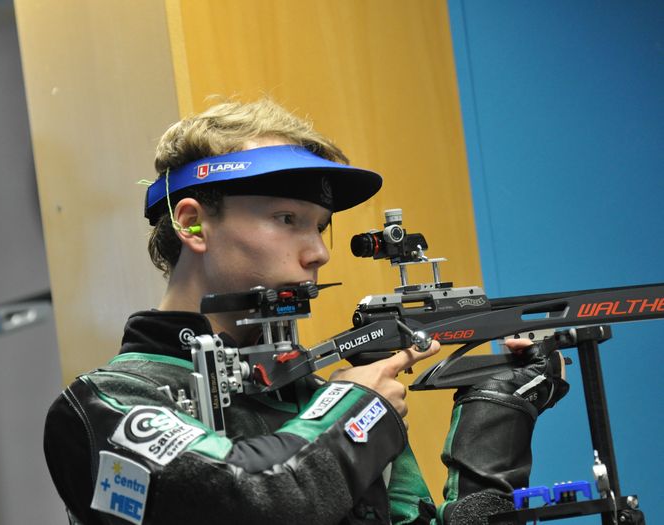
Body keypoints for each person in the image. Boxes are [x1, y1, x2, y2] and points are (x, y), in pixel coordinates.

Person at [43, 99, 569, 525]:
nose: (319, 252)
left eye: (319, 225)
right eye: (286, 217)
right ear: (193, 224)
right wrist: (357, 410)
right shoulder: (102, 406)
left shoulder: (324, 403)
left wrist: (495, 414)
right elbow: (257, 500)